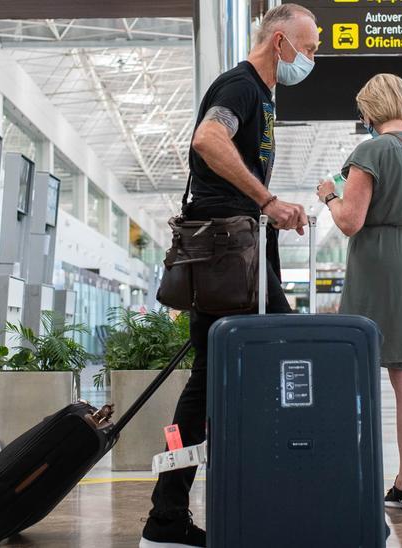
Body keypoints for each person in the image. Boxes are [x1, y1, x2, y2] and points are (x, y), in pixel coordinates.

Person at [141, 5, 318, 547]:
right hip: (226, 254)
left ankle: (169, 515)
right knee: (276, 356)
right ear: (281, 41)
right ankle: (287, 493)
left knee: (208, 381)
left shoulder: (263, 96)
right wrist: (267, 200)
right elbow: (207, 139)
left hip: (235, 250)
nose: (311, 59)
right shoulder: (239, 86)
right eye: (309, 48)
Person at [316, 73, 402, 512]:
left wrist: (329, 196)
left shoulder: (369, 151)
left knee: (360, 371)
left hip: (378, 263)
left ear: (369, 111)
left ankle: (351, 469)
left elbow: (350, 221)